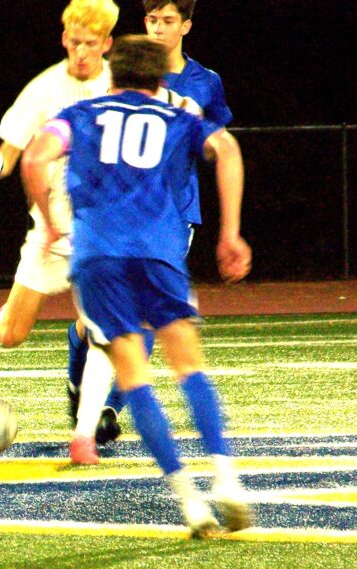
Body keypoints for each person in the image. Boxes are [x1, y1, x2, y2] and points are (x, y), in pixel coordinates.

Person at [20, 34, 253, 537]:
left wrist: (49, 222)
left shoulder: (82, 114)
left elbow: (35, 159)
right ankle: (228, 482)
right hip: (159, 253)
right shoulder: (179, 116)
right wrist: (231, 232)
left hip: (100, 258)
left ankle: (191, 505)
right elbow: (227, 148)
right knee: (189, 366)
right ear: (157, 79)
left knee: (134, 377)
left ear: (112, 74)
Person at [0, 0, 121, 465]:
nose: (82, 52)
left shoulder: (122, 86)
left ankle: (84, 436)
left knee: (103, 334)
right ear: (63, 38)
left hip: (104, 234)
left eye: (91, 43)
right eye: (74, 42)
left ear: (107, 44)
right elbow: (8, 156)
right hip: (49, 232)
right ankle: (1, 321)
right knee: (14, 334)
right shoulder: (46, 88)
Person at [92, 0, 235, 447]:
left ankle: (110, 407)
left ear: (186, 26)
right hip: (113, 215)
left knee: (148, 315)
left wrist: (204, 145)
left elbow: (219, 143)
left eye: (168, 20)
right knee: (92, 320)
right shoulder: (120, 71)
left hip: (172, 213)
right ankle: (86, 381)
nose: (157, 28)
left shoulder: (204, 83)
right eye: (151, 19)